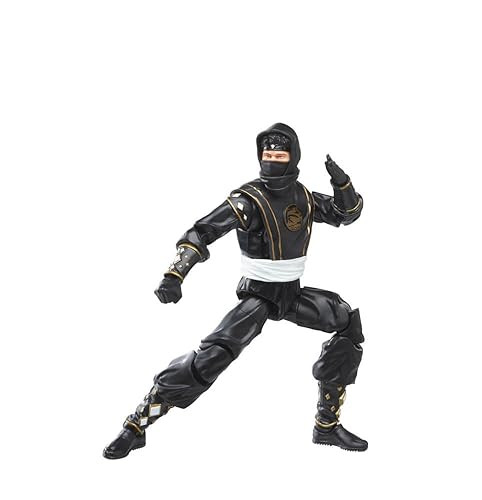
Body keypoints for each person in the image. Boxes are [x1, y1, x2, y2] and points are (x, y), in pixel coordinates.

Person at [103, 123, 367, 459]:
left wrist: (342, 183)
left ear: (293, 157)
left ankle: (326, 425)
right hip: (259, 296)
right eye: (267, 155)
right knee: (211, 357)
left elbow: (346, 213)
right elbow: (203, 231)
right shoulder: (249, 200)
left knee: (346, 321)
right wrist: (175, 273)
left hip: (292, 294)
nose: (272, 161)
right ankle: (137, 424)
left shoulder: (303, 196)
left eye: (280, 155)